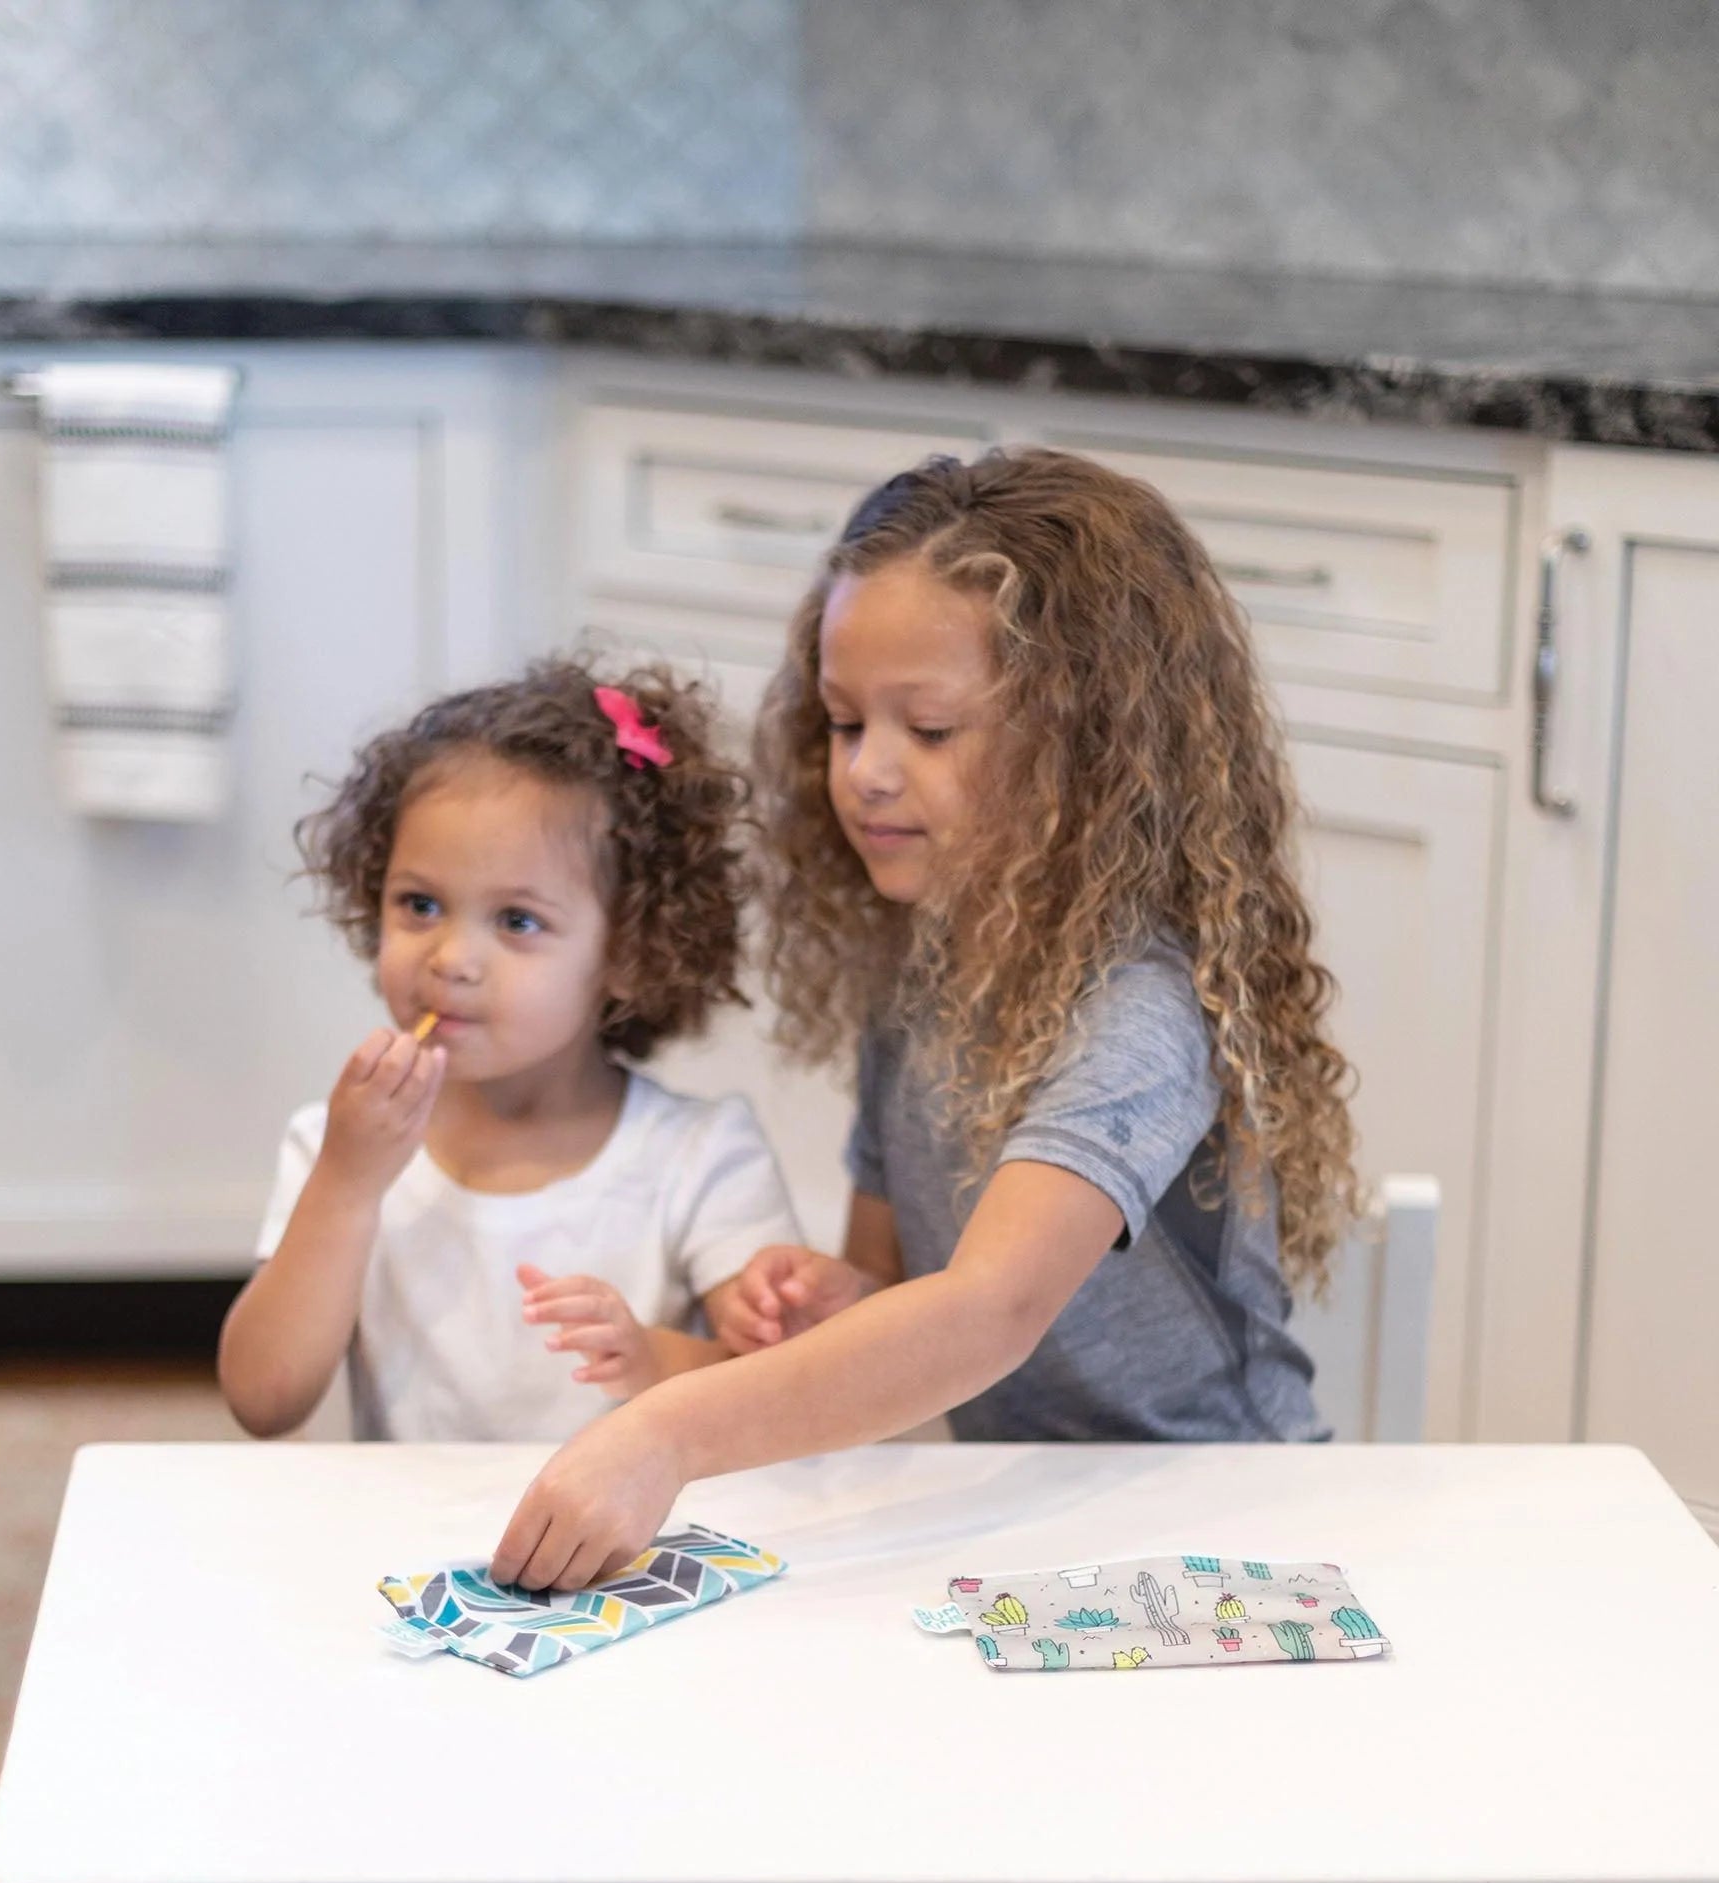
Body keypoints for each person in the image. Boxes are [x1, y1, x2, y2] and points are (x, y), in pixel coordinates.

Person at [492, 447, 1361, 1590]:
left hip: (1214, 1520)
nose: (866, 774)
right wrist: (845, 1303)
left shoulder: (1141, 1007)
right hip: (1022, 1505)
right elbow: (906, 1291)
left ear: (1086, 749)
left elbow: (987, 1308)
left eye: (931, 731)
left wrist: (664, 1431)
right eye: (846, 724)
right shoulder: (922, 964)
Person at [219, 658, 798, 1442]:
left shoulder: (700, 1155)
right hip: (416, 1552)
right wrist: (347, 1185)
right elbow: (264, 1398)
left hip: (628, 1545)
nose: (452, 957)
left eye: (517, 921)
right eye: (419, 905)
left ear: (631, 949)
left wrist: (653, 1360)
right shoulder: (336, 1149)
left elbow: (786, 1387)